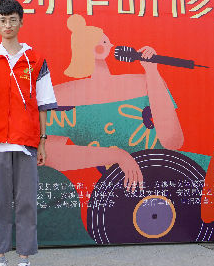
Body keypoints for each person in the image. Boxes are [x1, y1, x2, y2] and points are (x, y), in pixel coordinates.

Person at [46, 14, 184, 189]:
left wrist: (151, 71)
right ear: (96, 48)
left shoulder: (143, 82)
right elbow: (50, 156)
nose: (111, 46)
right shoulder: (62, 95)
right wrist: (117, 156)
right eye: (105, 42)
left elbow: (172, 141)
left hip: (170, 177)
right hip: (114, 189)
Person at [0, 0, 57, 266]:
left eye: (13, 19)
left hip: (26, 142)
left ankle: (24, 264)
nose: (8, 25)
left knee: (26, 204)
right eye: (2, 20)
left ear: (21, 22)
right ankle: (0, 264)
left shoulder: (36, 59)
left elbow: (43, 104)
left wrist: (43, 141)